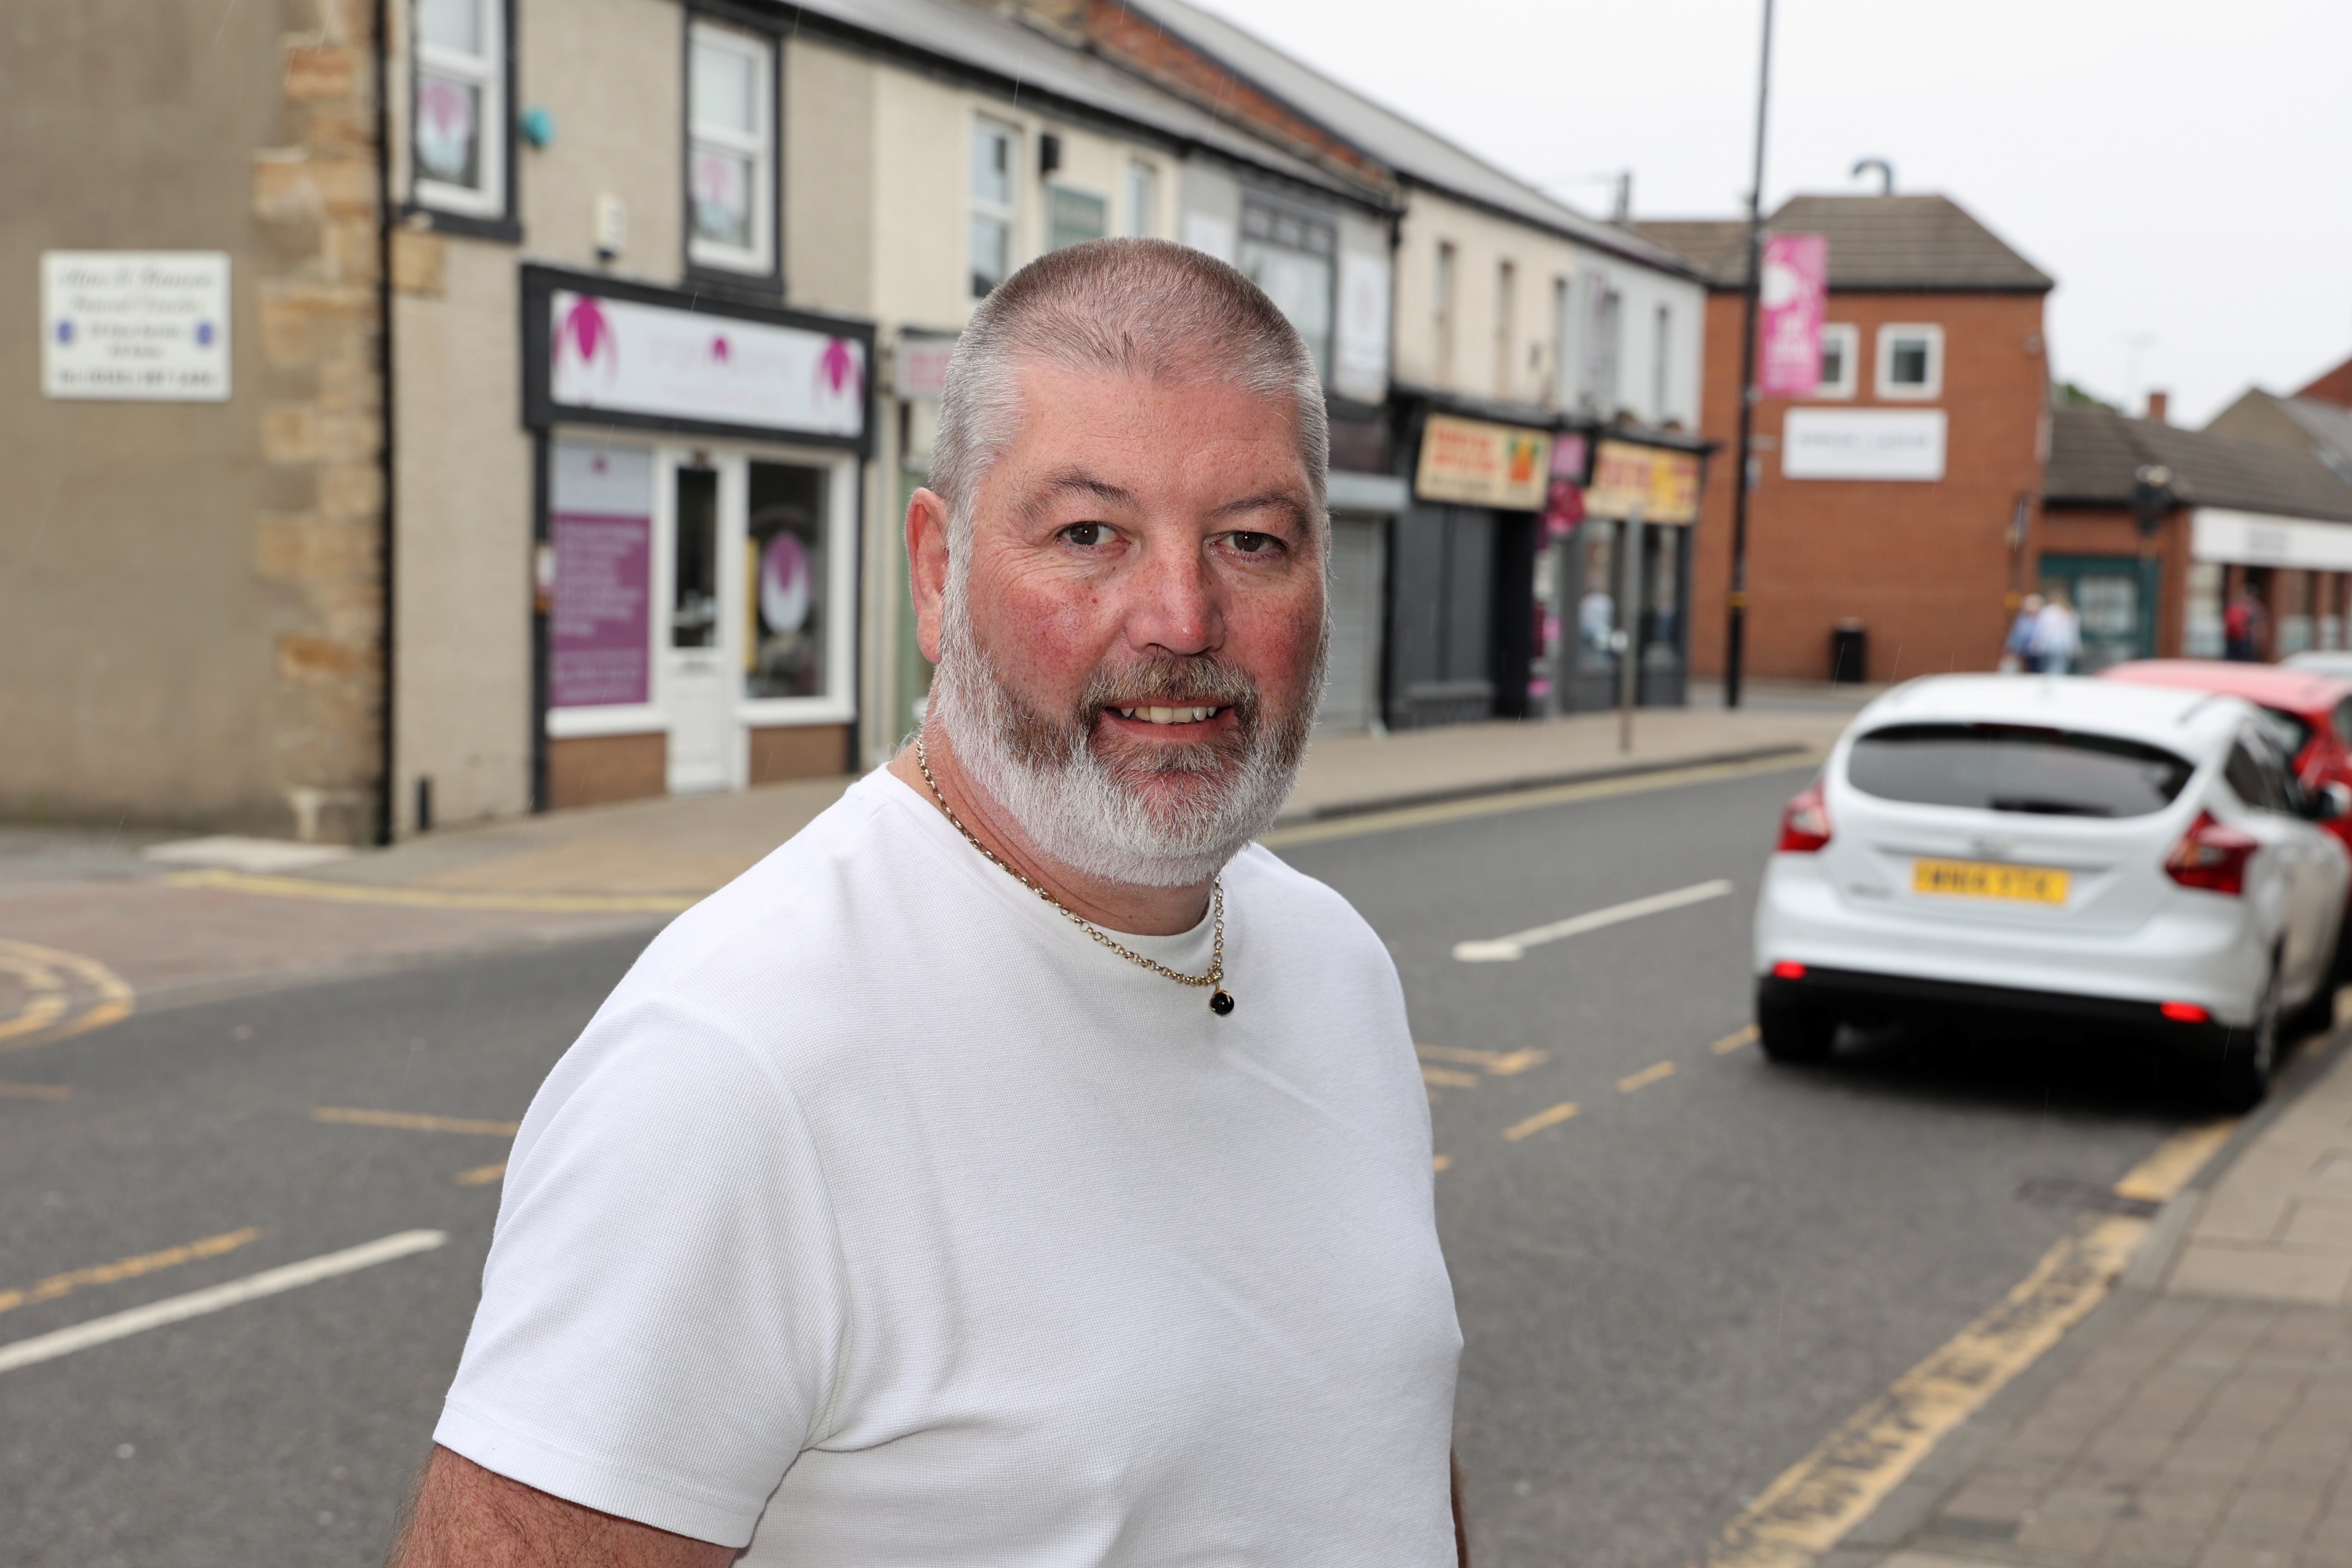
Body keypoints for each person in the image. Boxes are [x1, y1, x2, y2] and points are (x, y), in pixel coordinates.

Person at [388, 240, 1464, 1567]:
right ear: (937, 572)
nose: (1182, 618)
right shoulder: (737, 1060)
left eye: (1251, 540)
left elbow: (1384, 1454)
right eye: (1089, 534)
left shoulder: (1339, 963)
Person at [2031, 590, 2082, 676]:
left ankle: (2050, 680)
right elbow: (2073, 632)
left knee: (2047, 664)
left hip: (2049, 641)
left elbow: (2041, 630)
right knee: (2060, 665)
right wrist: (2076, 647)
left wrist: (2036, 643)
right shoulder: (2069, 612)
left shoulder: (2047, 612)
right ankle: (2056, 680)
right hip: (2064, 642)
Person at [2002, 591, 2045, 673]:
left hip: (2038, 649)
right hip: (2025, 649)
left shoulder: (2042, 619)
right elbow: (2017, 634)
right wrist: (2011, 647)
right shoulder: (2023, 619)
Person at [2224, 586, 2267, 662]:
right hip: (2245, 638)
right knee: (2246, 660)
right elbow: (2258, 623)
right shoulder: (2254, 607)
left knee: (2231, 659)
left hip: (2231, 638)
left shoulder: (2234, 604)